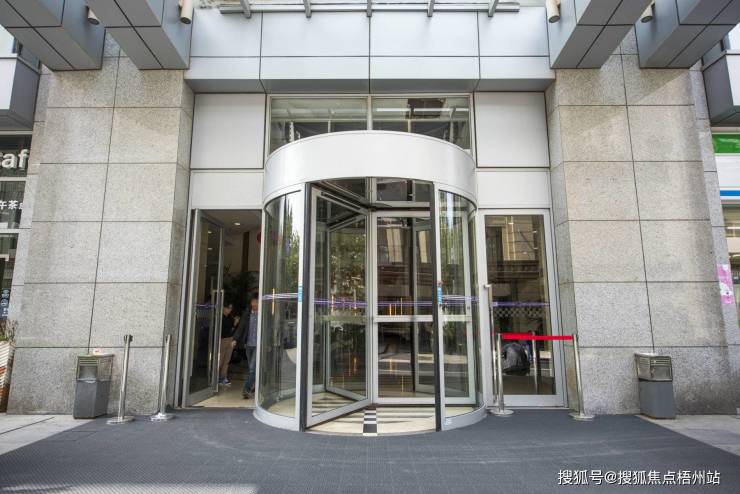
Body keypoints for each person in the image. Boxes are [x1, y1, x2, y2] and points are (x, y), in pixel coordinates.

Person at [240, 296, 259, 399]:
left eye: (257, 302)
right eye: (254, 302)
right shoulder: (247, 314)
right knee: (252, 368)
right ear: (251, 303)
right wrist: (236, 339)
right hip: (248, 345)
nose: (255, 304)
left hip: (257, 346)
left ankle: (246, 389)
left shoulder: (263, 314)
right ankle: (254, 385)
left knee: (252, 368)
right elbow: (242, 327)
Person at [219, 302, 238, 385]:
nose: (230, 310)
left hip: (230, 338)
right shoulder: (220, 317)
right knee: (220, 359)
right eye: (228, 308)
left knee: (227, 360)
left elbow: (232, 328)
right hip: (222, 339)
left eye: (231, 308)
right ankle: (216, 377)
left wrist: (235, 324)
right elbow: (225, 329)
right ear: (224, 307)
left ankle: (223, 377)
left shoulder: (230, 317)